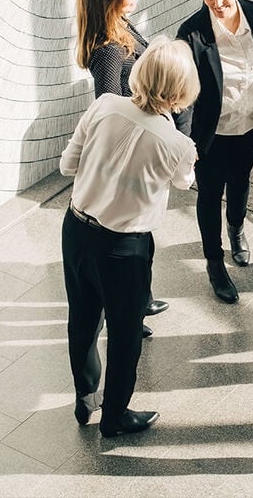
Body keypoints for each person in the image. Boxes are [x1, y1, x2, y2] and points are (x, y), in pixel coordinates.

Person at [60, 36, 199, 437]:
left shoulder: (104, 105)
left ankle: (85, 396)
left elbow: (68, 166)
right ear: (182, 89)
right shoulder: (177, 144)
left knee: (82, 320)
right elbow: (185, 182)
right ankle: (115, 416)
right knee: (125, 334)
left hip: (76, 228)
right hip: (125, 247)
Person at [75, 0, 169, 331]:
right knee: (132, 241)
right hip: (128, 157)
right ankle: (128, 310)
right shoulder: (109, 49)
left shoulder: (121, 25)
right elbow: (109, 108)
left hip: (136, 149)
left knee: (141, 239)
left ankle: (137, 303)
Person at [175, 0, 253, 304]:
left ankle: (237, 229)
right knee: (210, 193)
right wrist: (185, 141)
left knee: (241, 179)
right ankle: (214, 262)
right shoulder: (192, 33)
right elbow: (184, 92)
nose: (217, 3)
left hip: (252, 121)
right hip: (212, 133)